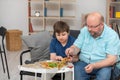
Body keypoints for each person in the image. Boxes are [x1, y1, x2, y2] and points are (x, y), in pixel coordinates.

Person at [65, 12, 120, 80]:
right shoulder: (85, 30)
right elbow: (76, 47)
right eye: (88, 25)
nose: (89, 29)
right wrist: (71, 50)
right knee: (77, 70)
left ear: (101, 25)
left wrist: (94, 65)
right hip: (84, 62)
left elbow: (111, 60)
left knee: (104, 74)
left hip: (103, 65)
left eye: (92, 27)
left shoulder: (112, 35)